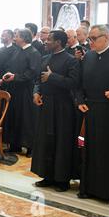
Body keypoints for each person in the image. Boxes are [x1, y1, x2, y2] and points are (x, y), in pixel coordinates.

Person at [31, 30, 80, 192]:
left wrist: (53, 77)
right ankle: (47, 175)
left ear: (58, 42)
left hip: (63, 107)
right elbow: (37, 79)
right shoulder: (45, 58)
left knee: (62, 142)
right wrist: (36, 92)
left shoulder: (71, 61)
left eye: (49, 40)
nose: (45, 42)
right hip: (46, 105)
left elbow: (74, 83)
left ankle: (62, 179)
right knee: (46, 141)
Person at [76, 25, 109, 209]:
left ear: (106, 37)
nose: (89, 42)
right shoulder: (89, 55)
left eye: (93, 38)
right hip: (91, 109)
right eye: (89, 38)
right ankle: (90, 188)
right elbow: (79, 82)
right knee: (91, 150)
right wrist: (80, 99)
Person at [2, 28, 41, 157]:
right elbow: (10, 66)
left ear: (24, 38)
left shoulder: (33, 52)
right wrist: (8, 75)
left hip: (26, 90)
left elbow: (33, 72)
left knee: (27, 118)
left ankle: (31, 147)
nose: (15, 38)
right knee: (14, 116)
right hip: (14, 89)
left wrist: (16, 77)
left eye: (17, 36)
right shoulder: (16, 51)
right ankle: (15, 145)